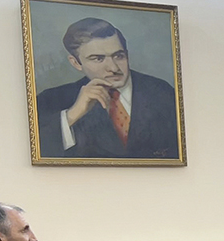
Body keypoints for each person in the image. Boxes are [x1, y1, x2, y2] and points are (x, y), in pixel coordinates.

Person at [36, 18, 179, 159]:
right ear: (76, 63)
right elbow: (37, 153)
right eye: (98, 59)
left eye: (119, 56)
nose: (113, 68)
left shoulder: (162, 92)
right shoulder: (52, 100)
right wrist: (71, 116)